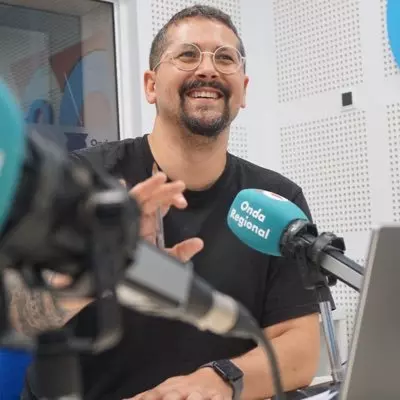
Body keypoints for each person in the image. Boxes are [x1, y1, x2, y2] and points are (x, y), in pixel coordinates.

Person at [11, 5, 330, 400]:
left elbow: (299, 350)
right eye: (188, 54)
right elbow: (17, 316)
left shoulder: (275, 201)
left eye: (225, 58)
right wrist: (95, 272)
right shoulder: (80, 181)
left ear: (244, 89)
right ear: (150, 85)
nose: (208, 69)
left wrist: (215, 381)